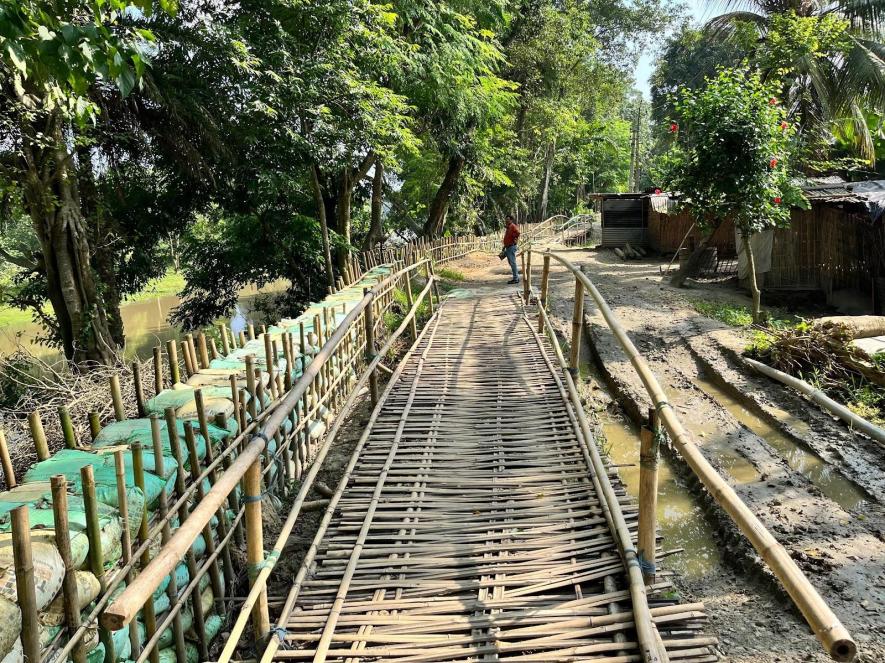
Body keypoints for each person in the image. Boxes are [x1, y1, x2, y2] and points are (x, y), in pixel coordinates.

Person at [502, 214, 520, 284]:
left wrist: (514, 239)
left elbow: (518, 233)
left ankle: (516, 278)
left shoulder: (512, 226)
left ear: (511, 220)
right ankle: (515, 277)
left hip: (511, 247)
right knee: (511, 263)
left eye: (508, 219)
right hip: (508, 247)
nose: (506, 220)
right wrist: (504, 246)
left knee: (513, 263)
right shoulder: (508, 227)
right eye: (506, 219)